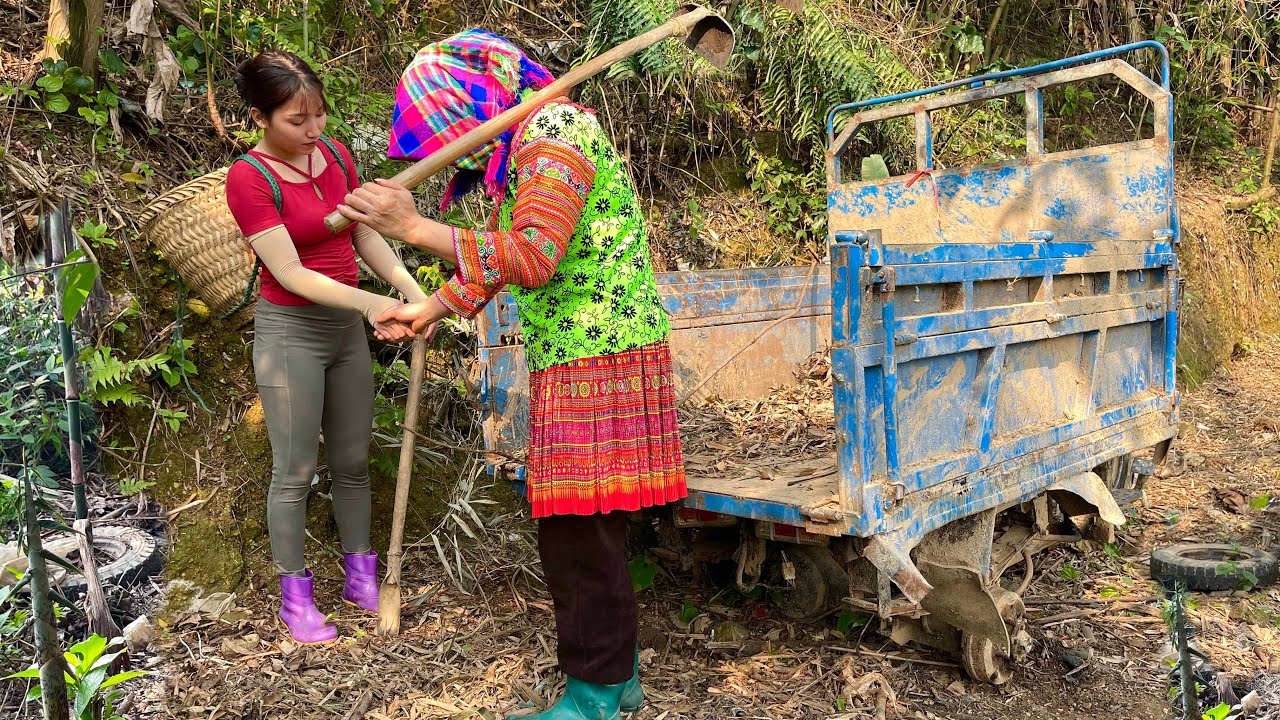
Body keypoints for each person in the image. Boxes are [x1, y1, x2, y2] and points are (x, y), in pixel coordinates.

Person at [336, 31, 687, 719]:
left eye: (448, 131)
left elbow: (532, 256)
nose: (454, 150)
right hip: (589, 352)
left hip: (598, 353)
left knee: (576, 528)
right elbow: (496, 259)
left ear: (469, 104)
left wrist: (412, 228)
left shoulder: (551, 131)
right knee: (591, 524)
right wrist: (429, 309)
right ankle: (617, 680)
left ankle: (593, 694)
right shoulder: (526, 141)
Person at [225, 50, 428, 645]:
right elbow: (289, 272)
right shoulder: (249, 178)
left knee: (352, 460)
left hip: (344, 332)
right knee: (296, 470)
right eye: (296, 119)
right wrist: (372, 306)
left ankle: (361, 574)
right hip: (291, 334)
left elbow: (363, 231)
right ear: (260, 116)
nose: (312, 129)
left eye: (318, 114)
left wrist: (415, 295)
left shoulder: (336, 155)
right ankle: (296, 596)